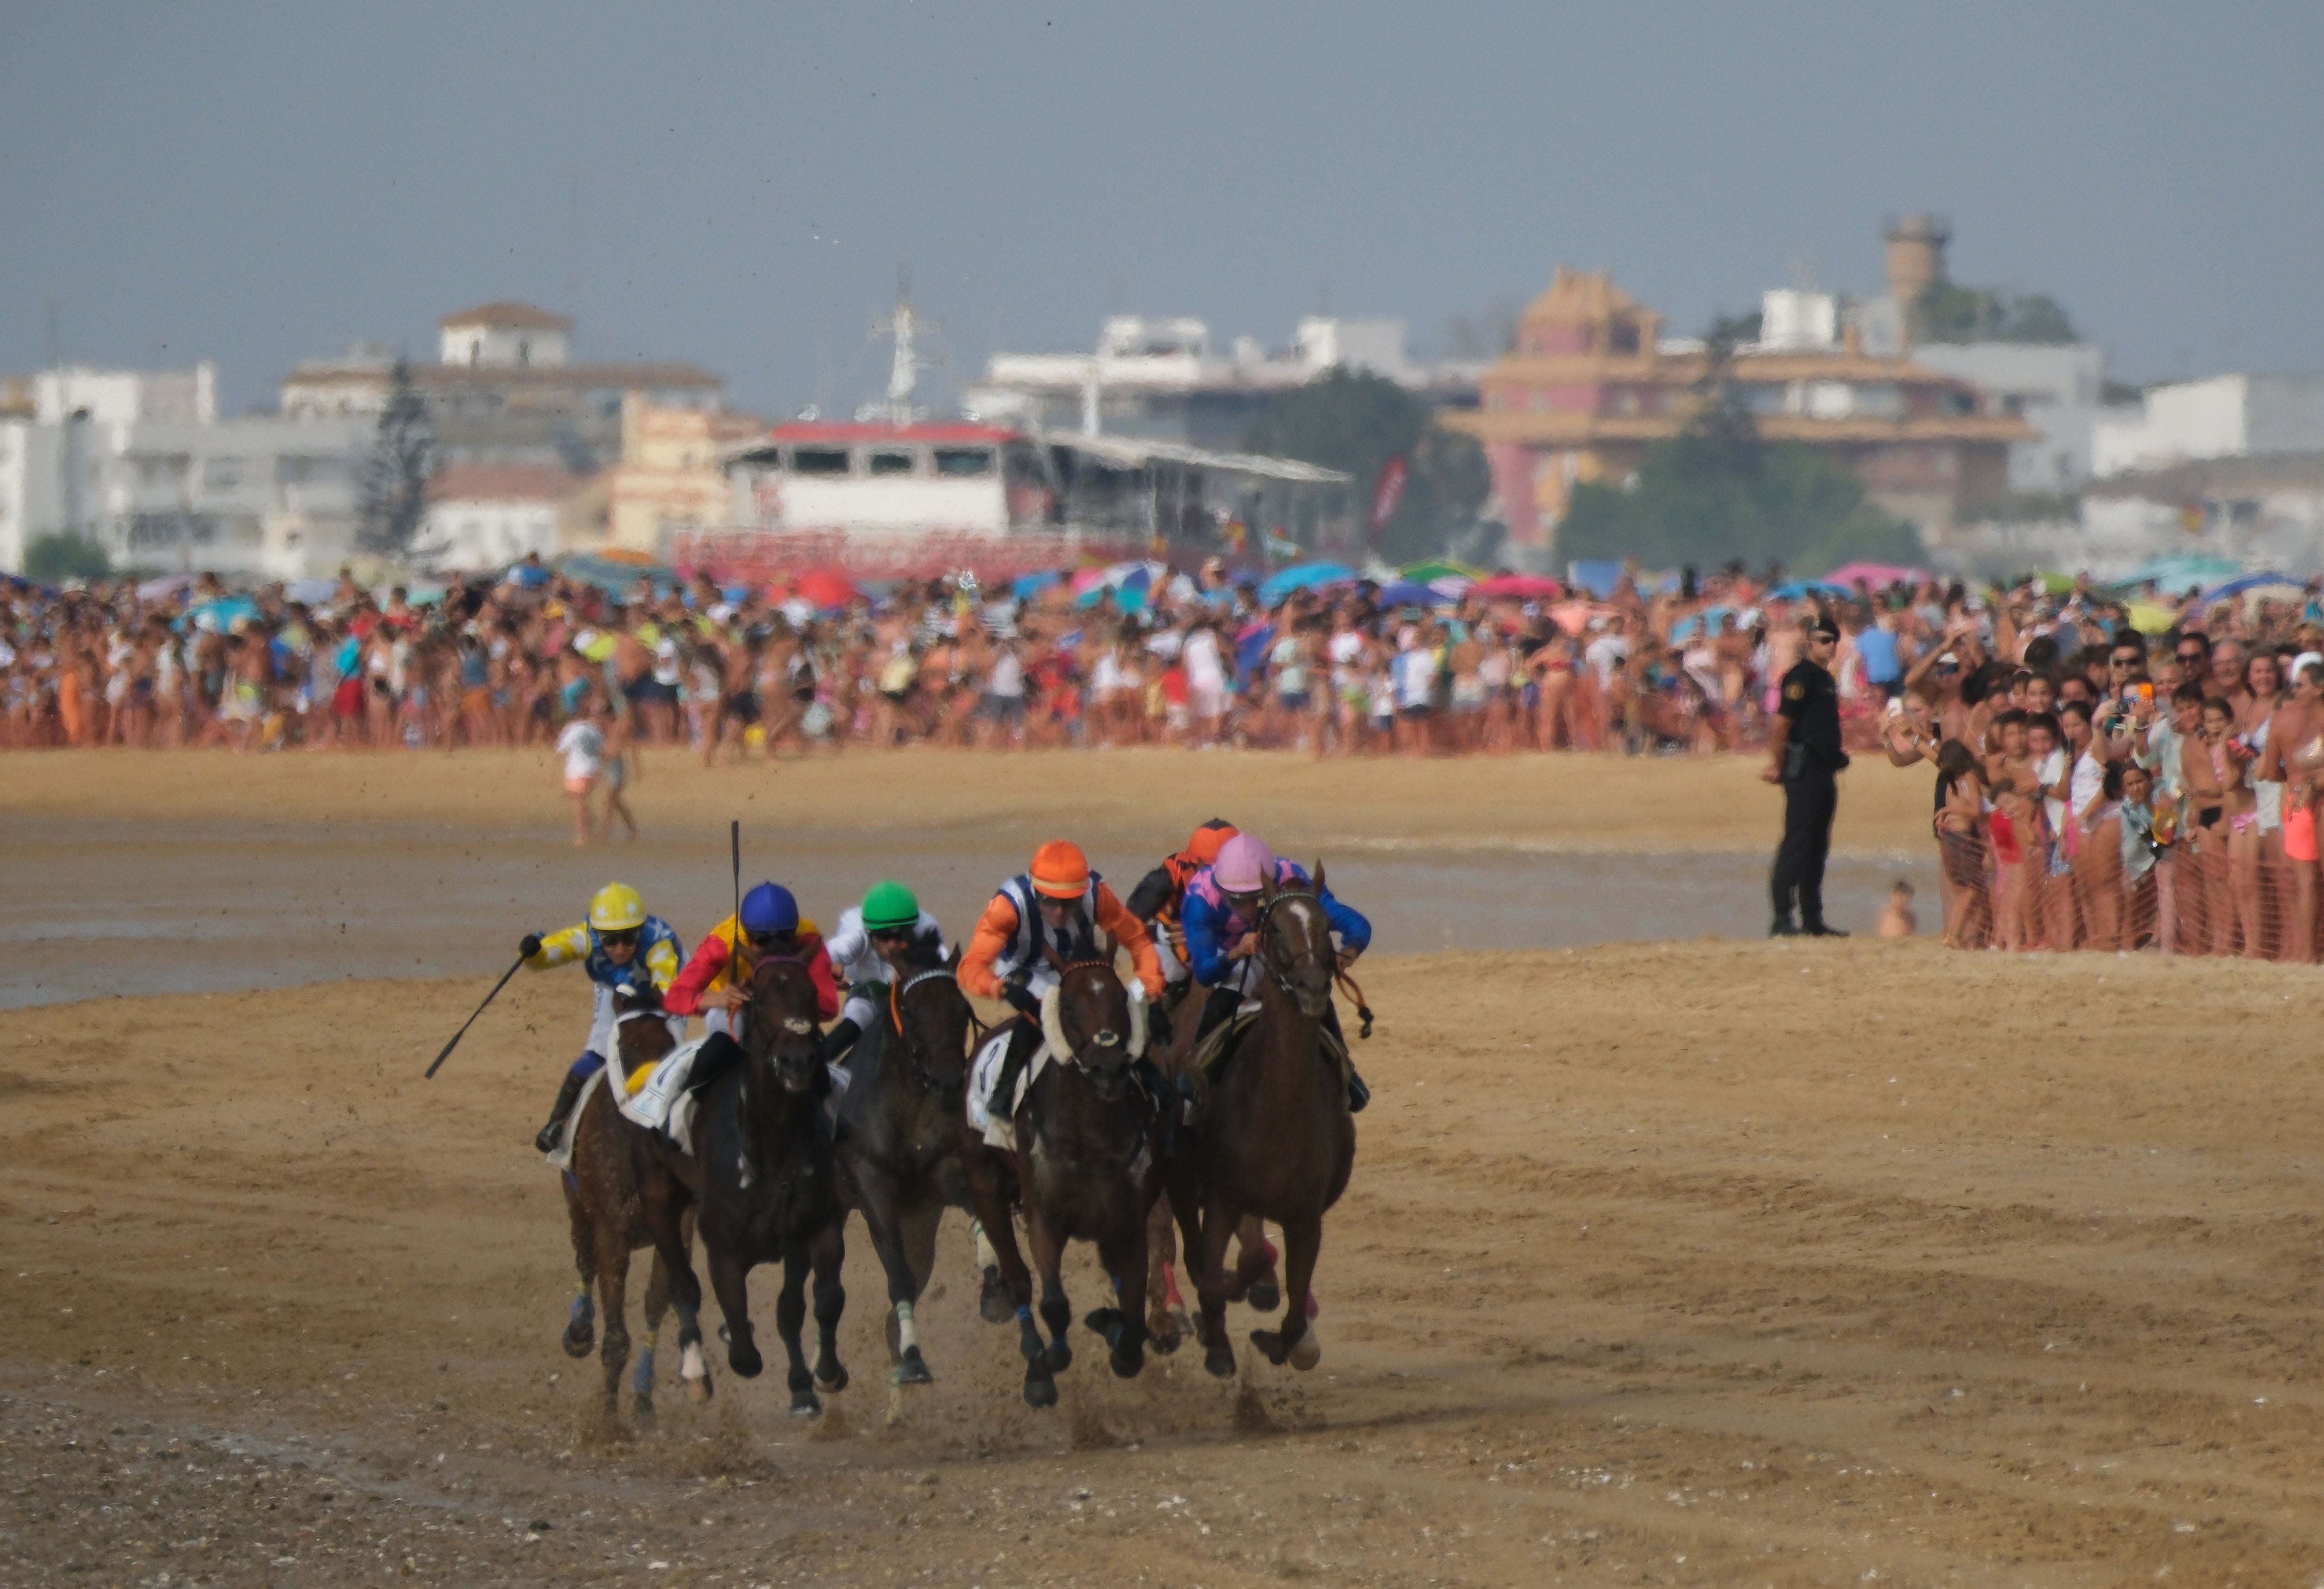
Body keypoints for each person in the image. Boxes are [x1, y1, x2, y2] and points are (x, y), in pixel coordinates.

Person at [959, 840, 1165, 1113]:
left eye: (1070, 903)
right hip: (1023, 970)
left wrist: (1153, 992)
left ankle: (1146, 1074)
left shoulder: (1097, 894)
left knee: (1107, 1008)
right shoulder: (1009, 906)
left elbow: (1138, 941)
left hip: (1075, 970)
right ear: (1035, 891)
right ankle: (1003, 1094)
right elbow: (970, 967)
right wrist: (1001, 989)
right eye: (1049, 901)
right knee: (1045, 1006)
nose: (1059, 912)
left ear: (1083, 894)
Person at [1179, 833, 1372, 1111]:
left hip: (1277, 950)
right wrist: (1235, 953)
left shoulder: (1292, 879)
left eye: (1256, 899)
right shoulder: (1200, 898)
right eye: (1237, 901)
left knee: (1318, 992)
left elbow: (1356, 923)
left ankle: (1346, 1070)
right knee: (1224, 997)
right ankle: (1198, 1069)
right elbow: (1205, 972)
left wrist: (1349, 952)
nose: (1248, 910)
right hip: (1228, 952)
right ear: (1221, 891)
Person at [521, 882, 684, 1153]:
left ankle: (678, 1127)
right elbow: (544, 956)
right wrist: (531, 952)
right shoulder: (585, 937)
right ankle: (556, 1123)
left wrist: (650, 1006)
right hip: (614, 986)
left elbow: (668, 991)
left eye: (629, 938)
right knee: (599, 1048)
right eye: (610, 941)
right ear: (597, 935)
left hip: (665, 990)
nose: (620, 949)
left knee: (669, 1052)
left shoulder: (660, 944)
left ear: (641, 932)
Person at [663, 881, 840, 1038]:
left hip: (789, 1009)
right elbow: (675, 998)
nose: (773, 949)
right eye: (762, 941)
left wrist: (779, 998)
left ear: (795, 933)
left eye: (784, 939)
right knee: (721, 1037)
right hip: (732, 1010)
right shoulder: (722, 944)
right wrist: (716, 1000)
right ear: (747, 935)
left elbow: (830, 1007)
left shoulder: (808, 937)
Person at [1763, 615, 1849, 936]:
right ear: (1810, 643)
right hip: (1804, 769)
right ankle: (1782, 917)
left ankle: (1812, 917)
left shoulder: (1825, 679)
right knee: (1798, 843)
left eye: (1834, 640)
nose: (1830, 646)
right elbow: (1781, 725)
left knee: (1818, 845)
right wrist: (1777, 765)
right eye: (1824, 640)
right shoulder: (1801, 678)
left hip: (1824, 769)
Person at [816, 879, 950, 1066]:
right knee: (852, 1024)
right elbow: (829, 953)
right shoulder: (856, 933)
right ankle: (815, 1070)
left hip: (910, 997)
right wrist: (827, 968)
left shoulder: (926, 929)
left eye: (900, 936)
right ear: (869, 932)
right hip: (867, 995)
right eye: (884, 936)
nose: (892, 946)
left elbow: (944, 963)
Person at [1121, 818, 1241, 1019]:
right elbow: (1126, 926)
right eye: (1211, 869)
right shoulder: (1168, 877)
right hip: (1180, 955)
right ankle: (1138, 1031)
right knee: (1145, 988)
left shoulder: (1256, 874)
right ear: (1195, 863)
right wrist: (1160, 933)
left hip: (1234, 950)